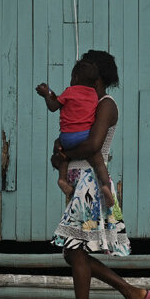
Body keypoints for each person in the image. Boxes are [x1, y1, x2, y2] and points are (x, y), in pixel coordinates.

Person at [46, 49, 150, 299]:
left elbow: (93, 145)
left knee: (74, 252)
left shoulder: (106, 104)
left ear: (98, 75)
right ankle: (132, 293)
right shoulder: (82, 106)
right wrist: (59, 157)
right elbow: (64, 145)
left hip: (92, 184)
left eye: (83, 67)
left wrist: (64, 151)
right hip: (78, 181)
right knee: (73, 253)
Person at [36, 59, 115, 206]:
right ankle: (106, 186)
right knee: (98, 162)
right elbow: (91, 145)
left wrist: (48, 93)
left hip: (66, 138)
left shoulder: (70, 92)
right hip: (83, 136)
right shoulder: (94, 97)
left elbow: (54, 105)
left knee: (64, 159)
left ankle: (62, 179)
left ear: (76, 78)